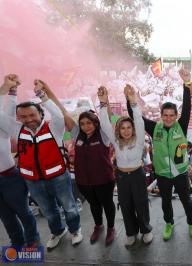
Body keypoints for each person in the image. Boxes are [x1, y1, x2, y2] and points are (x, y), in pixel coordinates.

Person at [0, 79, 82, 250]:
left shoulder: (54, 128)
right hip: (33, 181)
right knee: (48, 211)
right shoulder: (17, 129)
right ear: (18, 118)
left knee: (69, 207)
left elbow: (59, 115)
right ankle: (58, 231)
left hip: (58, 177)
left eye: (32, 115)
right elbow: (2, 116)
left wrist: (42, 94)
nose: (28, 119)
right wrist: (9, 91)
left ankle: (75, 230)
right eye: (23, 116)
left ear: (41, 114)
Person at [127, 69, 192, 241]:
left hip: (180, 172)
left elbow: (187, 105)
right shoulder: (154, 128)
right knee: (166, 202)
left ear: (176, 116)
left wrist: (186, 83)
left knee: (186, 201)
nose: (167, 118)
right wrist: (129, 100)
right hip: (162, 174)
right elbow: (135, 117)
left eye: (171, 115)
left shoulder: (181, 125)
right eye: (165, 115)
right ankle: (169, 223)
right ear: (161, 116)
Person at [43, 83, 116, 246]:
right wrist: (48, 91)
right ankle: (99, 226)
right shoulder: (77, 135)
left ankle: (111, 228)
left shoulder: (104, 135)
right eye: (82, 124)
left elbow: (107, 118)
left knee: (108, 205)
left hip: (104, 180)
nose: (86, 126)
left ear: (95, 123)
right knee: (94, 206)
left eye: (89, 123)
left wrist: (105, 101)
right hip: (84, 181)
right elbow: (63, 111)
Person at [99, 85, 153, 246]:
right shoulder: (116, 142)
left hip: (137, 175)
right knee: (126, 205)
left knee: (141, 204)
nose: (126, 130)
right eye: (122, 128)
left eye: (129, 127)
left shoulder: (138, 140)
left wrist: (133, 101)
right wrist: (103, 103)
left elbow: (138, 120)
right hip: (121, 177)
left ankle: (146, 230)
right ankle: (131, 232)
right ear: (118, 130)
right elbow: (105, 124)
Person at [0, 74, 40, 247]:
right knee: (5, 216)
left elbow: (6, 114)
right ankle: (16, 241)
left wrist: (10, 90)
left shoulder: (2, 131)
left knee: (23, 212)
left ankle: (32, 240)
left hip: (10, 177)